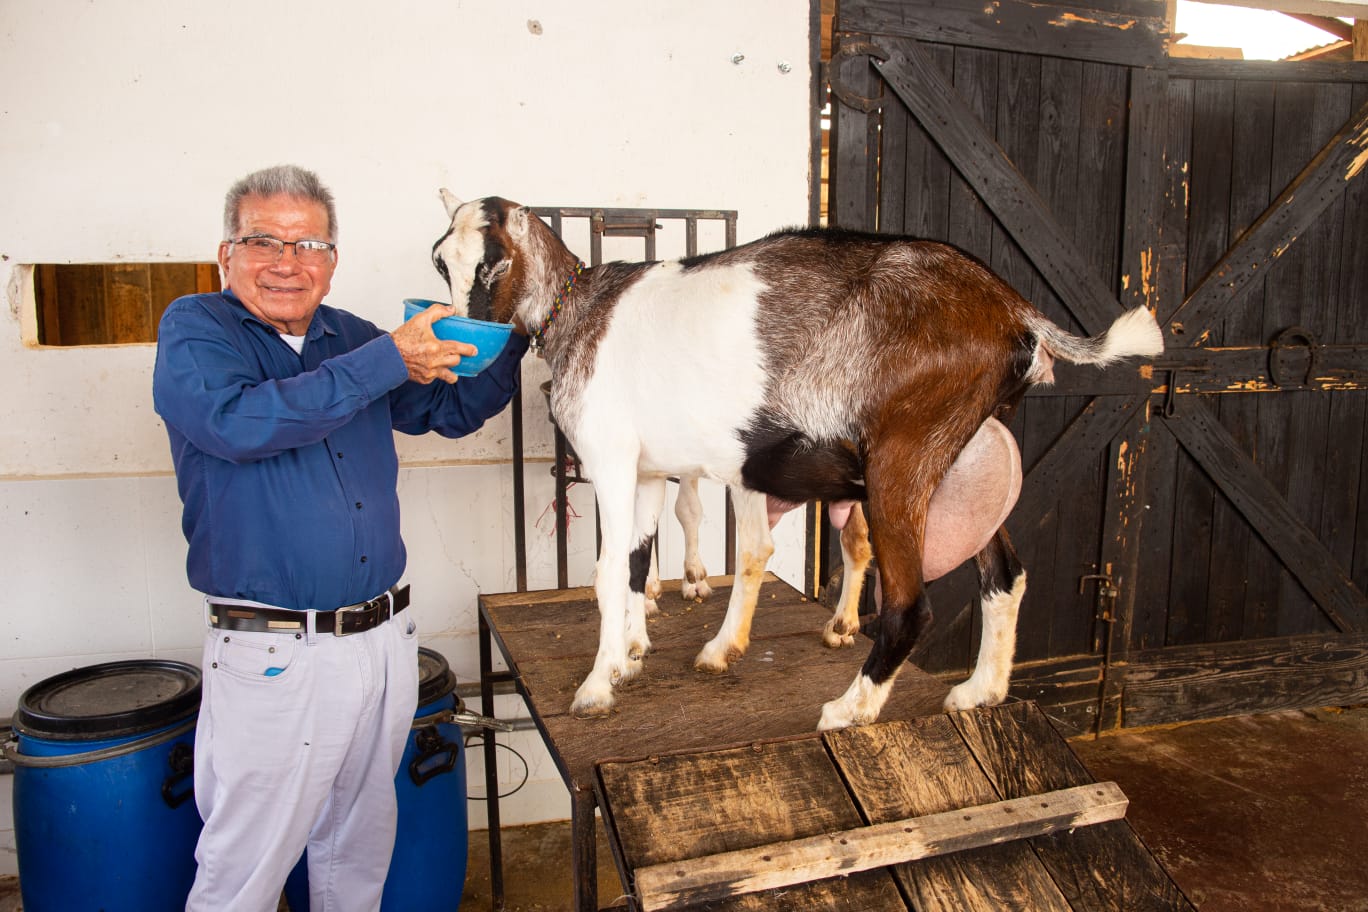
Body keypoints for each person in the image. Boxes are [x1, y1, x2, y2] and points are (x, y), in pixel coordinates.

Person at [153, 164, 528, 911]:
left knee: (356, 850)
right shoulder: (196, 329)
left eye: (310, 245)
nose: (288, 262)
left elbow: (444, 414)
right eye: (264, 241)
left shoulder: (348, 337)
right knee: (244, 867)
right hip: (275, 654)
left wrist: (514, 332)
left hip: (381, 643)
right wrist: (389, 358)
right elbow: (239, 423)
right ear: (226, 253)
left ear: (332, 260)